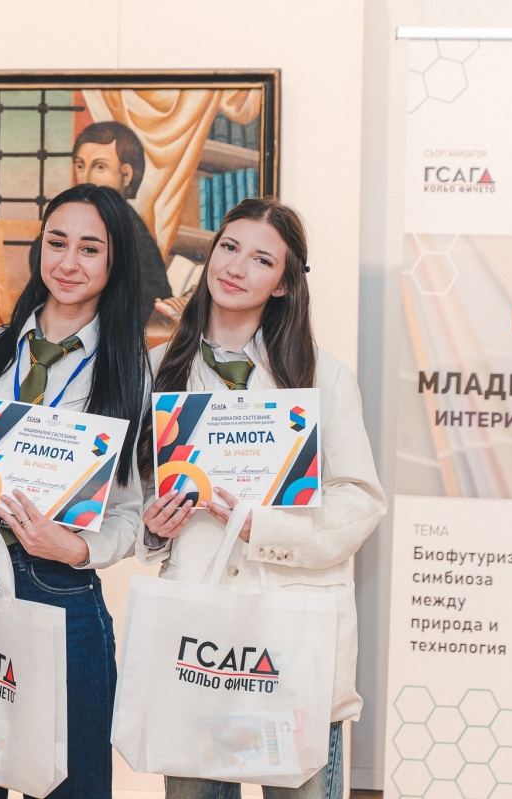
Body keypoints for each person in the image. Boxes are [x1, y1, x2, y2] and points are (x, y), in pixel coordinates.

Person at [0, 183, 150, 798]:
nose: (68, 262)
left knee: (69, 784)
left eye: (89, 249)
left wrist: (77, 549)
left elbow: (131, 511)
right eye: (56, 242)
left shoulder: (132, 372)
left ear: (115, 261)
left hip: (62, 594)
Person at [137, 198, 386, 799]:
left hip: (293, 637)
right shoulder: (157, 370)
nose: (236, 267)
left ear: (283, 284)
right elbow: (132, 498)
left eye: (261, 259)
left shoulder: (323, 375)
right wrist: (153, 525)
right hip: (197, 635)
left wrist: (261, 528)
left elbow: (359, 500)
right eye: (228, 247)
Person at [30, 121, 172, 322]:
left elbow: (153, 295)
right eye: (80, 166)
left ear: (126, 175)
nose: (86, 177)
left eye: (99, 167)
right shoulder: (60, 225)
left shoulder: (133, 229)